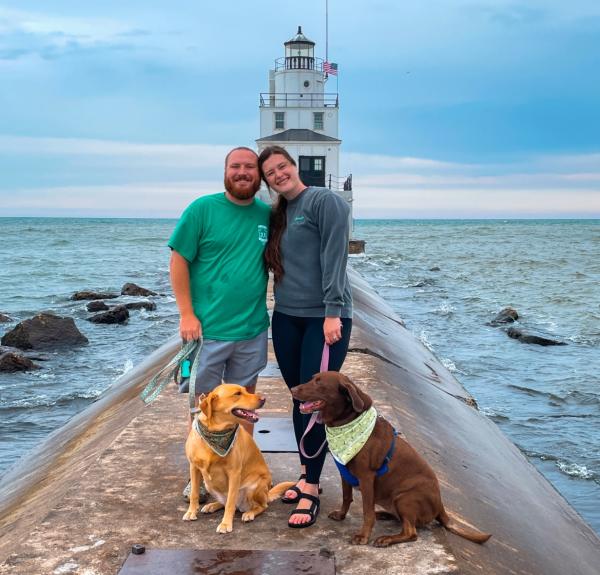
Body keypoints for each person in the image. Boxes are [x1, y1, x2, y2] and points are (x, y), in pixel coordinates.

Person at [258, 145, 353, 528]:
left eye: (282, 167)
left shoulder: (324, 201)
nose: (279, 175)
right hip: (285, 318)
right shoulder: (280, 214)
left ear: (294, 167)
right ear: (268, 182)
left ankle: (312, 487)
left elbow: (335, 257)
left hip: (322, 319)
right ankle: (304, 472)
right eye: (271, 173)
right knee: (299, 399)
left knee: (315, 402)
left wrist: (332, 312)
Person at [169, 146, 271, 500]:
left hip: (252, 330)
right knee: (201, 409)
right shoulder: (202, 209)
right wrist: (186, 313)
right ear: (225, 171)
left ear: (259, 175)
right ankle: (198, 475)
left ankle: (237, 471)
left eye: (249, 167)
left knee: (243, 411)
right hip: (205, 333)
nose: (242, 172)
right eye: (235, 166)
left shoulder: (266, 214)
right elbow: (179, 260)